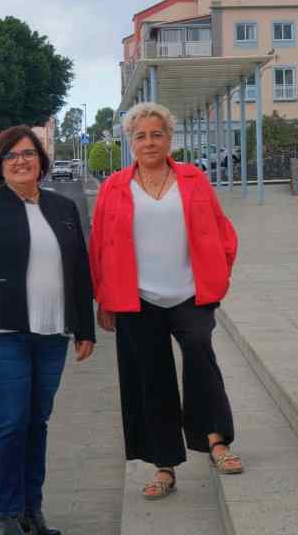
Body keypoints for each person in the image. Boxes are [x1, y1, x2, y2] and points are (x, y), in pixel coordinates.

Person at [89, 102, 242, 501]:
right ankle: (163, 465)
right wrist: (104, 299)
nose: (149, 142)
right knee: (151, 379)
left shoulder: (193, 179)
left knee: (200, 355)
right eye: (141, 136)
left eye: (157, 134)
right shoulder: (114, 187)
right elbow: (99, 247)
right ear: (130, 142)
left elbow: (222, 232)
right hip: (137, 299)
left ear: (169, 139)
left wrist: (218, 276)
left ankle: (216, 441)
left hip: (191, 293)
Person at [0, 126, 95, 535]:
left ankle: (33, 511)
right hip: (3, 334)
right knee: (11, 423)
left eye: (28, 153)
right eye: (11, 155)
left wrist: (84, 328)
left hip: (52, 334)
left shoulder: (62, 207)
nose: (21, 161)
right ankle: (9, 515)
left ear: (41, 161)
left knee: (37, 423)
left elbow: (79, 270)